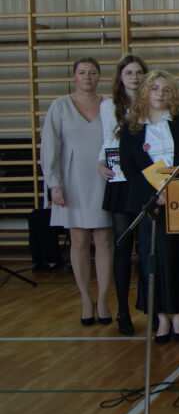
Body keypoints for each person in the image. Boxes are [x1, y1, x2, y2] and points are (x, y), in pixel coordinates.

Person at [119, 70, 179, 343]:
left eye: (166, 90)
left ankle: (178, 317)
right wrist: (155, 195)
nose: (161, 94)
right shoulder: (132, 126)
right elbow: (130, 169)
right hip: (150, 203)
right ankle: (161, 319)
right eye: (155, 89)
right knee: (153, 258)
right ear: (145, 92)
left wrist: (175, 191)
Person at [41, 57, 114, 327]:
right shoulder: (59, 107)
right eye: (82, 72)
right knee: (79, 239)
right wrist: (54, 183)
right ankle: (85, 298)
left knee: (105, 239)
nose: (87, 77)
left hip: (103, 178)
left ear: (99, 76)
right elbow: (49, 148)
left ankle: (104, 298)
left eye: (93, 72)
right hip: (71, 179)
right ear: (74, 76)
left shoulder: (110, 106)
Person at [97, 54, 148, 335]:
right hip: (119, 179)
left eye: (139, 72)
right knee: (122, 246)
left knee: (146, 246)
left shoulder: (150, 101)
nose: (135, 77)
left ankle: (151, 308)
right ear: (120, 77)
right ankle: (123, 312)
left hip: (142, 177)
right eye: (129, 73)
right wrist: (99, 160)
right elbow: (108, 139)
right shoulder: (109, 106)